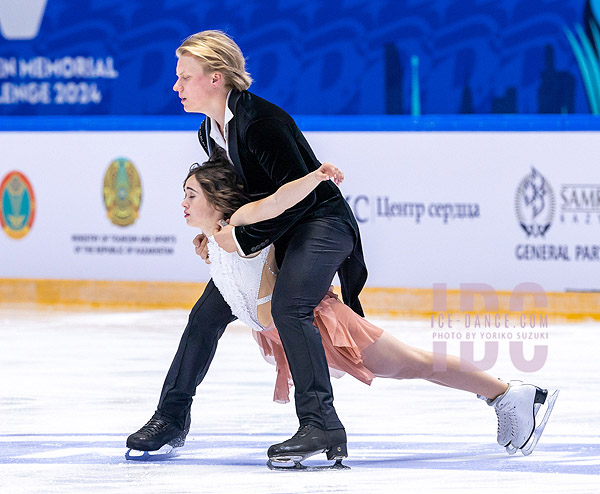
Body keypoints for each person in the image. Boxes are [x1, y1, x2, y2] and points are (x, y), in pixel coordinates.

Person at [177, 149, 558, 463]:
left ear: (218, 198)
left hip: (322, 323)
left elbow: (277, 202)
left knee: (414, 364)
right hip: (286, 332)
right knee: (411, 365)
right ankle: (322, 434)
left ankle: (508, 394)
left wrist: (314, 176)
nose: (184, 203)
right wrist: (210, 251)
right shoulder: (213, 242)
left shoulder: (242, 223)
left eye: (192, 194)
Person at [126, 30, 368, 464]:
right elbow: (235, 197)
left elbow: (302, 196)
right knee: (205, 314)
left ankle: (321, 424)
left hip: (322, 223)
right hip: (277, 231)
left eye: (185, 77)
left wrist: (241, 239)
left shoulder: (261, 123)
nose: (175, 86)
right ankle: (171, 416)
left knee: (290, 306)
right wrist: (215, 230)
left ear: (216, 78)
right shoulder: (210, 131)